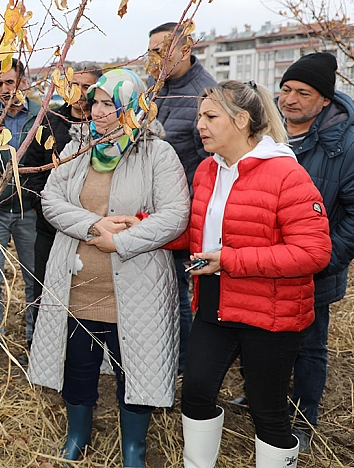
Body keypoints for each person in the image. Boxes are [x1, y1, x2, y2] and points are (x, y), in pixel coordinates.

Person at [29, 69, 190, 466]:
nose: (96, 111)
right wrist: (92, 224)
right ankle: (77, 436)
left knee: (132, 370)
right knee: (78, 366)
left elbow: (175, 215)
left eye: (107, 104)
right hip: (78, 288)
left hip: (136, 291)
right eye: (95, 102)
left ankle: (133, 447)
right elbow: (50, 200)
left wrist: (120, 241)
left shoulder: (156, 153)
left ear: (133, 108)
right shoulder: (77, 148)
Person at [178, 80, 331, 467]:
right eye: (199, 116)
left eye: (210, 116)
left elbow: (314, 252)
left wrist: (231, 260)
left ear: (242, 120)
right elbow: (198, 226)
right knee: (195, 391)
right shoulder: (207, 172)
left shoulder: (285, 175)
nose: (200, 125)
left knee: (268, 409)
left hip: (272, 313)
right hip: (214, 301)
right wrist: (141, 227)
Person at [278, 52, 354, 450]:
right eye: (286, 89)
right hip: (268, 264)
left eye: (302, 92)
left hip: (316, 268)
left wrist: (322, 259)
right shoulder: (268, 132)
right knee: (267, 335)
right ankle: (272, 399)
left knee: (310, 344)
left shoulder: (346, 143)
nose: (289, 99)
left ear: (325, 99)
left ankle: (304, 419)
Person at [148, 22, 217, 374]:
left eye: (162, 51)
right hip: (148, 213)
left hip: (183, 216)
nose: (155, 59)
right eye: (151, 52)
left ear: (186, 48)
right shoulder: (152, 89)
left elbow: (210, 165)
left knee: (177, 296)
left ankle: (184, 366)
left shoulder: (205, 96)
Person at [22, 61, 102, 354]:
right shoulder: (49, 122)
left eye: (87, 87)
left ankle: (88, 351)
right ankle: (41, 348)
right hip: (50, 228)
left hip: (94, 231)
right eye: (74, 85)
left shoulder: (105, 126)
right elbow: (28, 170)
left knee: (88, 293)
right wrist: (43, 204)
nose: (80, 94)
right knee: (43, 288)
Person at [0, 58, 40, 350]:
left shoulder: (40, 115)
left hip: (29, 210)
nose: (3, 88)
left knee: (33, 277)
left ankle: (34, 337)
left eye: (9, 82)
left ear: (22, 83)